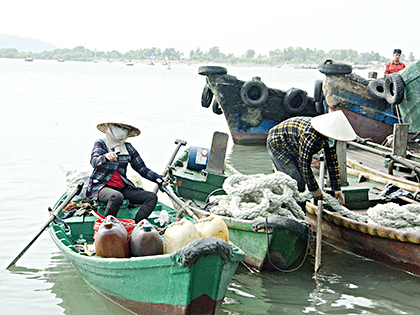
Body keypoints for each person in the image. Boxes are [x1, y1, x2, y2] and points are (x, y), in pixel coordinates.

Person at [86, 112, 169, 223]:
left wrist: (159, 179)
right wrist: (105, 157)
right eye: (118, 127)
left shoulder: (128, 148)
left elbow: (142, 169)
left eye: (124, 128)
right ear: (110, 128)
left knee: (151, 197)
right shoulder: (101, 143)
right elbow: (94, 161)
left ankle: (135, 225)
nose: (121, 130)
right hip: (101, 187)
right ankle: (106, 226)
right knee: (116, 197)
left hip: (122, 187)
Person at [266, 110, 357, 206]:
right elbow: (304, 164)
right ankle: (288, 208)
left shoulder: (329, 138)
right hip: (278, 143)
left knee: (302, 181)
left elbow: (332, 162)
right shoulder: (310, 136)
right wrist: (315, 189)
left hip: (294, 145)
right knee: (294, 178)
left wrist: (337, 188)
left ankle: (300, 211)